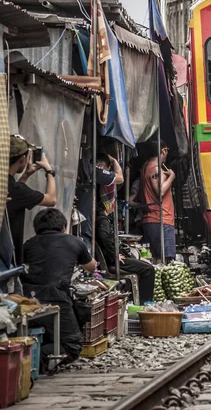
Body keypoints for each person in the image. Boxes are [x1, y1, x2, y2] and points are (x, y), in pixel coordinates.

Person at [22, 209, 96, 370]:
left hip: (25, 299)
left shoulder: (28, 244)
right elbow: (91, 267)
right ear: (64, 227)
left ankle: (30, 359)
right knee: (72, 345)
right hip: (56, 298)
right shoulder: (75, 242)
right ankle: (28, 361)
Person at [95, 155, 156, 303]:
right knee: (148, 269)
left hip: (113, 257)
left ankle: (138, 300)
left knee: (142, 263)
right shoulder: (102, 218)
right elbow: (103, 237)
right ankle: (144, 303)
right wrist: (115, 255)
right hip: (112, 261)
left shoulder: (101, 216)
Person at [7, 135, 56, 266]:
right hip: (7, 259)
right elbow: (51, 199)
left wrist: (26, 175)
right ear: (23, 159)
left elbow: (16, 193)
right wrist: (49, 171)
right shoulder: (16, 190)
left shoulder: (11, 187)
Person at [141, 141, 177, 261]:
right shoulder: (155, 168)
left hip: (153, 219)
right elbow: (160, 191)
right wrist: (171, 176)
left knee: (156, 260)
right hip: (161, 218)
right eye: (167, 150)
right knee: (166, 260)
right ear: (163, 151)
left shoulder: (147, 166)